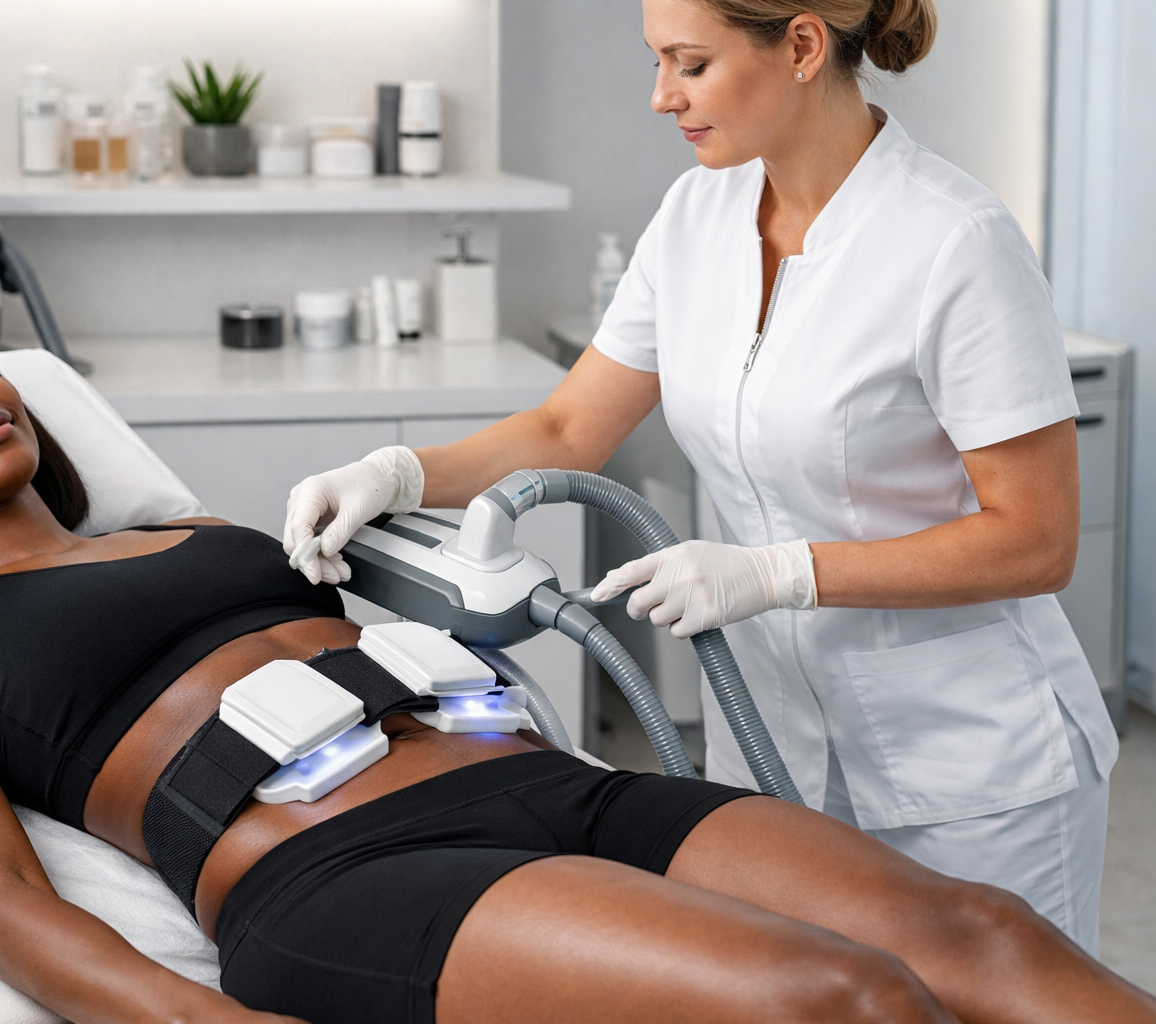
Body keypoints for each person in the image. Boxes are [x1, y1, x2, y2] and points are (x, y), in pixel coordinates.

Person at [0, 303, 1154, 1024]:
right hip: (342, 874)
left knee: (979, 938)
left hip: (548, 784)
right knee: (836, 999)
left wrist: (402, 488)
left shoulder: (191, 526)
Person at [284, 0, 1118, 955]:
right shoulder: (696, 216)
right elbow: (568, 426)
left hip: (969, 765)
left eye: (690, 63)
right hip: (770, 747)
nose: (660, 96)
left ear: (802, 45)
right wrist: (393, 474)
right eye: (657, 62)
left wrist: (780, 574)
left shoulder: (954, 241)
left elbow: (1036, 538)